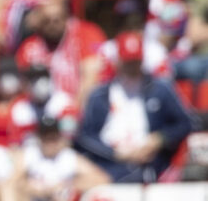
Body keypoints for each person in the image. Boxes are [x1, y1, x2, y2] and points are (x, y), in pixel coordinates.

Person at [75, 31, 198, 184]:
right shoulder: (100, 95)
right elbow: (85, 135)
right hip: (109, 161)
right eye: (128, 62)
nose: (132, 67)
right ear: (118, 61)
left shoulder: (159, 89)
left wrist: (159, 139)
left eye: (136, 61)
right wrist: (115, 153)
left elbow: (185, 123)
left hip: (148, 163)